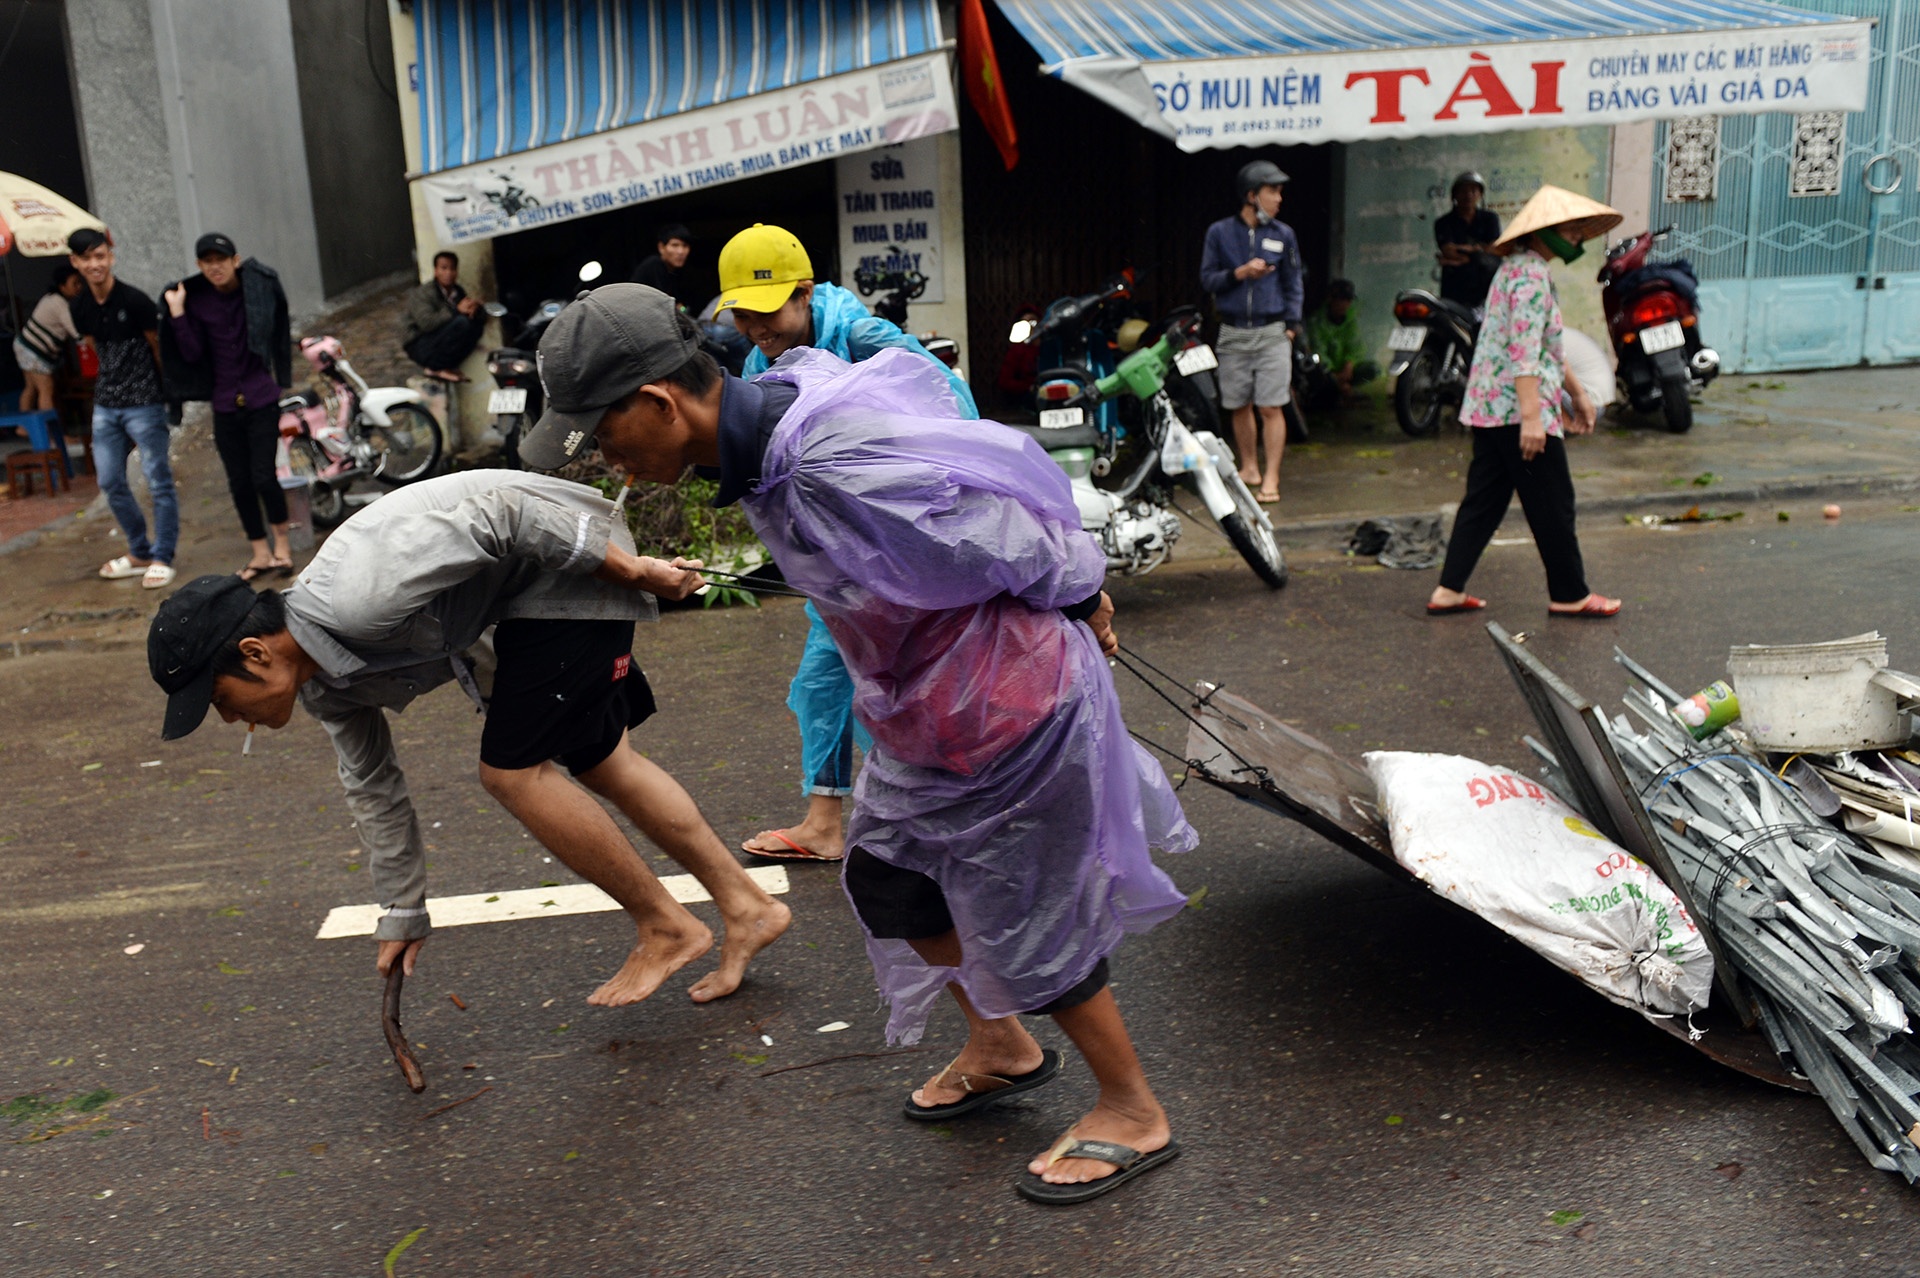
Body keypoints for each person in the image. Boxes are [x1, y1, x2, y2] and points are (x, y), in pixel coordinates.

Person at [519, 284, 1195, 1204]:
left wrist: (1084, 595)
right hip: (928, 707)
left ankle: (1130, 1108)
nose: (608, 461)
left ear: (659, 404)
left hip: (1008, 703)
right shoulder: (766, 427)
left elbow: (1017, 532)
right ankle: (1002, 1043)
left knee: (1025, 905)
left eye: (602, 435)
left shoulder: (825, 464)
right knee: (890, 876)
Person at [145, 469, 791, 1003]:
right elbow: (373, 788)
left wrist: (631, 571)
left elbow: (507, 511)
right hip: (527, 603)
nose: (231, 721)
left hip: (564, 569)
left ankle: (666, 927)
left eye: (220, 702)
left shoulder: (355, 599)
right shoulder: (322, 686)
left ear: (256, 654)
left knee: (511, 772)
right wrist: (402, 912)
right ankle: (748, 907)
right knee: (599, 760)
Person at [715, 223, 978, 865]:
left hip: (904, 538)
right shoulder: (760, 364)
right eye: (743, 315)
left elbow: (955, 411)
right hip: (837, 549)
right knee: (825, 672)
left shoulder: (863, 340)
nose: (755, 328)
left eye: (766, 310)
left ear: (803, 293)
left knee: (926, 673)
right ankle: (825, 820)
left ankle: (959, 806)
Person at [1428, 185, 1623, 621]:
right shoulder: (1531, 276)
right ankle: (1570, 593)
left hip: (1490, 407)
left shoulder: (1515, 269)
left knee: (1484, 501)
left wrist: (1575, 392)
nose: (1577, 239)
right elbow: (1525, 350)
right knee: (1553, 501)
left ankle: (1449, 589)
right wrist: (1533, 419)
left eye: (1578, 232)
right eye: (1571, 231)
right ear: (1546, 233)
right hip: (1518, 410)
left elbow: (1546, 344)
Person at [161, 233, 293, 581]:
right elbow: (190, 354)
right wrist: (177, 312)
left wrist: (283, 374)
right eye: (207, 262)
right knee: (239, 481)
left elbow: (278, 326)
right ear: (199, 267)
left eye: (220, 259)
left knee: (264, 476)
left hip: (261, 398)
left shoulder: (258, 290)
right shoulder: (199, 302)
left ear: (235, 260)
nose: (214, 267)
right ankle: (260, 552)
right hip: (224, 404)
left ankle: (282, 546)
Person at [69, 227, 176, 590]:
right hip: (106, 405)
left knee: (158, 479)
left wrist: (168, 396)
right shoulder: (80, 306)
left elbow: (158, 348)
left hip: (145, 403)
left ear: (111, 257)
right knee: (110, 480)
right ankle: (139, 550)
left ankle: (163, 555)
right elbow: (94, 348)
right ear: (76, 262)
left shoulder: (135, 301)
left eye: (100, 256)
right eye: (86, 258)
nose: (94, 264)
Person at [1200, 159, 1303, 506]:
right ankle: (1249, 468)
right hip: (1232, 331)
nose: (1278, 198)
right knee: (1238, 405)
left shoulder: (1283, 234)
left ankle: (1271, 476)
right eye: (1272, 191)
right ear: (1251, 195)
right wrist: (1240, 273)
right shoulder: (1219, 233)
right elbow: (1208, 279)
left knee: (1271, 407)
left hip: (1272, 331)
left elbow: (1293, 282)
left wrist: (1291, 326)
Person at [402, 251, 485, 381]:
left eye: (452, 269)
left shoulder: (457, 291)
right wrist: (455, 310)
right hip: (419, 343)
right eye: (444, 268)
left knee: (474, 326)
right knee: (461, 323)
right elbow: (427, 323)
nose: (448, 273)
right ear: (436, 271)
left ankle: (449, 366)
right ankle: (436, 368)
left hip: (437, 339)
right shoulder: (424, 293)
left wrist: (476, 309)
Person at [14, 265, 82, 413]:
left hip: (25, 346)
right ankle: (50, 433)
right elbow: (77, 332)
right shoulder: (59, 303)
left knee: (31, 388)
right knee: (47, 388)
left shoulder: (52, 299)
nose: (79, 287)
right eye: (74, 283)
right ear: (62, 286)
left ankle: (24, 427)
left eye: (79, 283)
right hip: (33, 350)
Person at [1435, 171, 1503, 308]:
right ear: (1455, 195)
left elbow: (1494, 249)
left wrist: (1462, 254)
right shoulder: (1443, 222)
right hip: (1455, 286)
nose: (1469, 195)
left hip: (1486, 286)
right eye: (1464, 191)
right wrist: (1478, 251)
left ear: (1480, 194)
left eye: (1473, 190)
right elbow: (1448, 251)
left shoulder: (1490, 218)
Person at [1303, 279, 1378, 402]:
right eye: (1341, 299)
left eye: (1348, 300)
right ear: (1331, 299)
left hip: (1345, 371)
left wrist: (1349, 364)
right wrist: (1334, 375)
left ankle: (1345, 389)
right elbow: (1318, 350)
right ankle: (1339, 390)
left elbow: (1356, 347)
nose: (1344, 304)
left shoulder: (1350, 320)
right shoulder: (1317, 321)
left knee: (1374, 369)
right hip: (1326, 371)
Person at [629, 224, 692, 306]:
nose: (681, 251)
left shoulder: (675, 272)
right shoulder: (654, 264)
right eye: (675, 245)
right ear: (661, 247)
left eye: (685, 246)